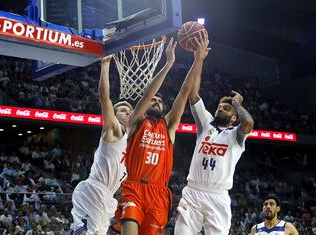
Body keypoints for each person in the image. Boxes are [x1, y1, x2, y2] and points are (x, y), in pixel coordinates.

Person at [112, 34, 210, 235]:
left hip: (159, 192)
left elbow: (184, 91)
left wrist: (198, 60)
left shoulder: (169, 126)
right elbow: (148, 93)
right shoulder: (136, 122)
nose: (156, 101)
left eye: (159, 101)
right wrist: (168, 65)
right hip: (134, 187)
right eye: (153, 100)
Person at [174, 50, 254, 234]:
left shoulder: (236, 135)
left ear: (234, 117)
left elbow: (248, 123)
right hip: (192, 192)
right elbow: (193, 94)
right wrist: (199, 59)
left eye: (226, 108)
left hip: (218, 196)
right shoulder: (205, 125)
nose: (220, 109)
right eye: (219, 107)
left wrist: (237, 104)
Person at [71, 55, 133, 235]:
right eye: (123, 110)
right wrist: (105, 66)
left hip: (108, 197)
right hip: (93, 191)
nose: (128, 112)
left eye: (130, 110)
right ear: (114, 115)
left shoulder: (132, 141)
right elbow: (105, 98)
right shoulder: (114, 130)